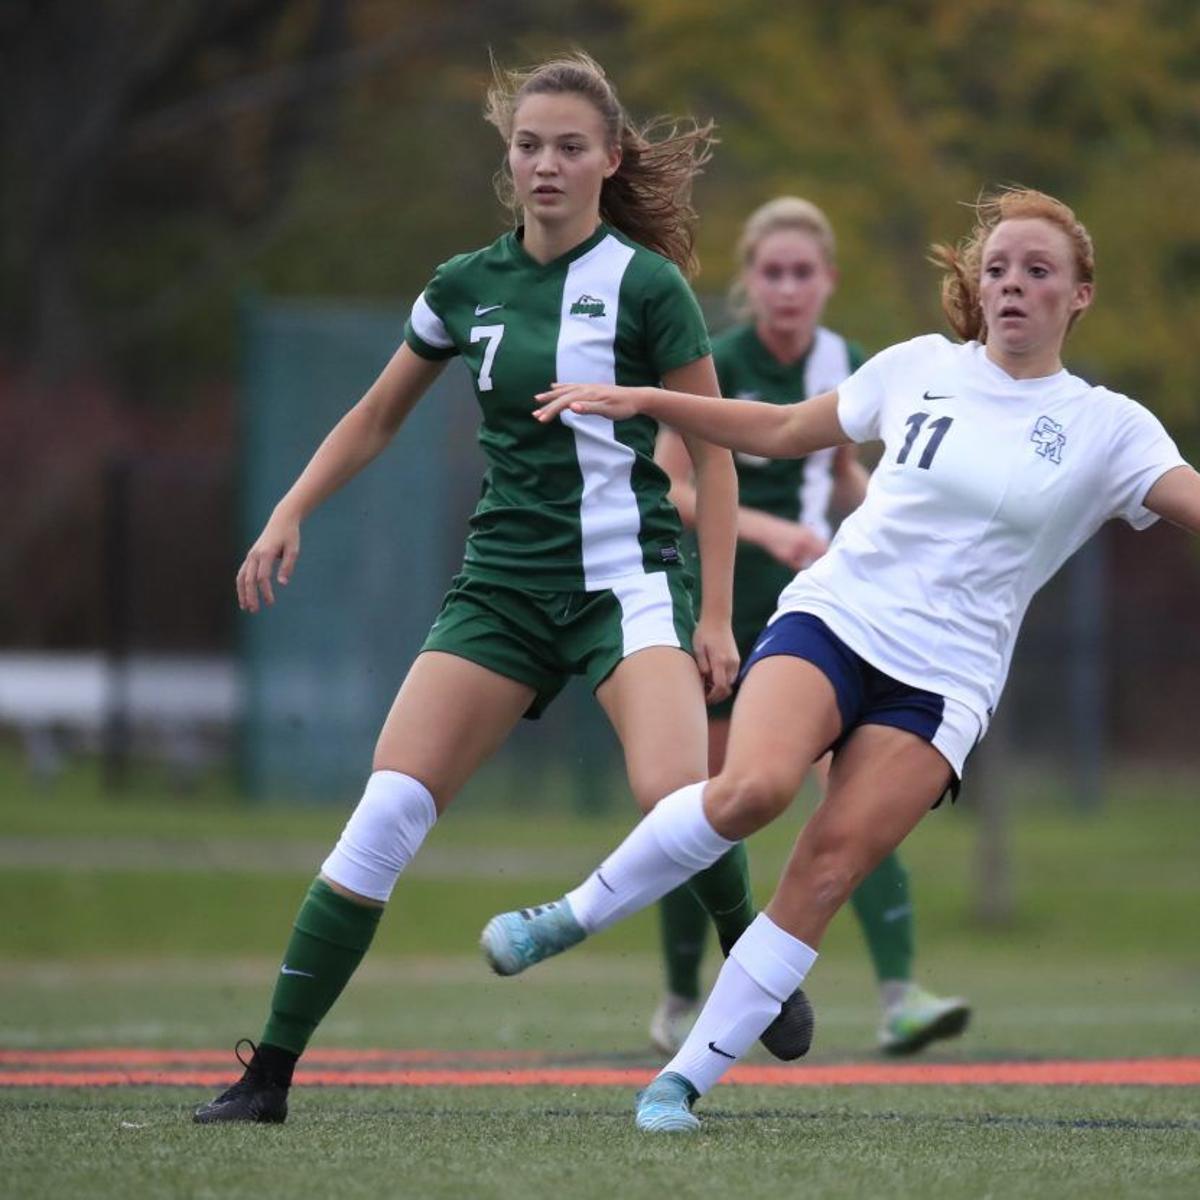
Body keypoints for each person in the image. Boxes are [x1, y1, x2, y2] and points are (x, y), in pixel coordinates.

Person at [480, 187, 1200, 1132]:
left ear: (1081, 295)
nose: (1014, 286)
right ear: (976, 289)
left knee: (824, 873)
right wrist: (650, 399)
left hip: (944, 684)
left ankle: (678, 1084)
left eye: (1038, 272)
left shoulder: (1112, 427)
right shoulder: (917, 368)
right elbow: (781, 430)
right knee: (752, 791)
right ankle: (571, 915)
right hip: (837, 617)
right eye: (998, 270)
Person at [195, 51, 815, 1126]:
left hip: (626, 585)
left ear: (609, 159)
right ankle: (268, 1079)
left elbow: (712, 454)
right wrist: (290, 508)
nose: (545, 164)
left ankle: (747, 946)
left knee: (675, 803)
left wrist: (714, 616)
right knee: (385, 814)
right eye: (528, 145)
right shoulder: (464, 284)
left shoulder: (646, 285)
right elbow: (377, 415)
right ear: (508, 158)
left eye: (570, 146)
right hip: (501, 592)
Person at [648, 197, 968, 1058]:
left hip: (820, 620)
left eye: (803, 273)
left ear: (826, 281)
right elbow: (671, 483)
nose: (788, 288)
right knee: (713, 805)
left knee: (857, 801)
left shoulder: (846, 361)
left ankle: (900, 996)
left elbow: (847, 481)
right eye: (772, 272)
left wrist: (911, 532)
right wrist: (761, 529)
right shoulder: (715, 360)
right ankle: (682, 996)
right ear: (750, 282)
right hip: (721, 607)